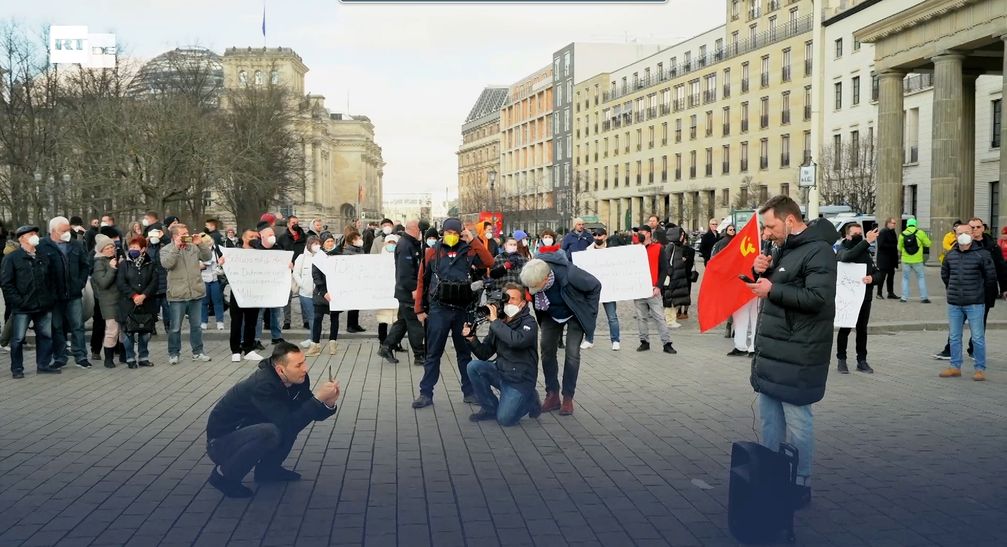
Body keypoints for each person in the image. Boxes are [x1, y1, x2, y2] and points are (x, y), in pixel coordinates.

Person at [746, 195, 838, 506]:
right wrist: (759, 270)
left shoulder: (820, 251)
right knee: (770, 419)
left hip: (799, 351)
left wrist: (773, 289)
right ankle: (771, 472)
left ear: (789, 220)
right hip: (774, 349)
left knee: (798, 420)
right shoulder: (782, 249)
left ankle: (801, 481)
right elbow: (776, 285)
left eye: (769, 226)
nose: (766, 233)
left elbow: (817, 298)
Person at [204, 342, 341, 498]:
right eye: (298, 365)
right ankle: (223, 477)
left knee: (293, 418)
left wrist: (328, 402)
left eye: (304, 362)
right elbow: (288, 422)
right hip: (221, 443)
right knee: (271, 431)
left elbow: (309, 412)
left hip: (249, 431)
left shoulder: (298, 379)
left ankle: (268, 470)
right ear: (280, 369)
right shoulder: (262, 385)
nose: (305, 368)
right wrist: (317, 399)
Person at [412, 218, 494, 409]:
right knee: (433, 353)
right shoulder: (432, 252)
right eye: (448, 232)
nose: (452, 236)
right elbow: (421, 281)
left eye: (455, 233)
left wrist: (473, 240)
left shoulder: (469, 249)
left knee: (464, 353)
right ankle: (426, 393)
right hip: (439, 309)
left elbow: (488, 261)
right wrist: (419, 309)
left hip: (462, 310)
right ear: (443, 233)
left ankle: (469, 391)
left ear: (460, 233)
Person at [520, 253, 601, 416]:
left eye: (536, 285)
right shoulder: (532, 271)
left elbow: (595, 286)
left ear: (546, 277)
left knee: (572, 353)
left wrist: (589, 312)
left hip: (575, 314)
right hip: (551, 313)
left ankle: (568, 397)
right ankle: (553, 394)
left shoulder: (570, 274)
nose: (533, 289)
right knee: (546, 350)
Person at [464, 283, 543, 425]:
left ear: (523, 303)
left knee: (505, 420)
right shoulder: (500, 322)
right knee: (474, 366)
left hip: (520, 380)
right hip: (501, 372)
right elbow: (484, 354)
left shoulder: (529, 323)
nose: (509, 302)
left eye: (513, 299)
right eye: (506, 299)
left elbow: (516, 341)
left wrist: (495, 322)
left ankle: (530, 398)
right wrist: (472, 339)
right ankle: (489, 409)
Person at [934, 217, 1007, 360]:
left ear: (983, 228)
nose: (975, 230)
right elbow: (947, 271)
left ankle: (974, 350)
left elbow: (1000, 269)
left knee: (980, 324)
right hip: (962, 293)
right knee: (957, 323)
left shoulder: (991, 247)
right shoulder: (960, 245)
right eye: (972, 227)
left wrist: (1004, 288)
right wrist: (953, 286)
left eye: (978, 227)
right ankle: (949, 349)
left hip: (984, 293)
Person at [939, 223, 997, 381]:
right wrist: (952, 288)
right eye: (959, 233)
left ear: (972, 234)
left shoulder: (982, 254)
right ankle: (955, 366)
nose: (963, 235)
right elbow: (945, 274)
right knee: (954, 337)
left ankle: (979, 369)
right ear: (955, 235)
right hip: (954, 303)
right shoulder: (951, 254)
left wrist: (983, 295)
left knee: (977, 337)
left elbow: (990, 278)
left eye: (966, 232)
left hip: (975, 303)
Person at [1, 226, 58, 378]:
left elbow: (52, 279)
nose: (35, 236)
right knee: (18, 339)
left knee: (45, 336)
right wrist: (18, 301)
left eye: (36, 234)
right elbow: (6, 284)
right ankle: (17, 369)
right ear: (21, 238)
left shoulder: (43, 256)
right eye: (31, 234)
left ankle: (43, 365)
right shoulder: (12, 258)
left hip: (43, 305)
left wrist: (50, 298)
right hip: (23, 307)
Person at [37, 216, 92, 369]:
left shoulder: (76, 244)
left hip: (73, 294)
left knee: (78, 326)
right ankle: (60, 357)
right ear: (53, 231)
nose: (68, 232)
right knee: (56, 327)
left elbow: (85, 265)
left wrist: (80, 283)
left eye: (68, 229)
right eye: (64, 230)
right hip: (54, 296)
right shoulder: (43, 246)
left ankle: (81, 356)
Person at [160, 224, 213, 364]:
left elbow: (208, 257)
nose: (187, 235)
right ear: (175, 236)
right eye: (184, 233)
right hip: (178, 294)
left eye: (187, 232)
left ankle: (198, 352)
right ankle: (173, 353)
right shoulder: (166, 249)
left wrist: (200, 243)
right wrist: (176, 248)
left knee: (196, 326)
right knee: (175, 327)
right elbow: (166, 264)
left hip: (195, 292)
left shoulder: (193, 247)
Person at [381, 220, 426, 366]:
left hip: (405, 291)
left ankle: (387, 347)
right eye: (419, 230)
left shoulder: (411, 243)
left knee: (403, 322)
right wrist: (414, 289)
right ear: (414, 229)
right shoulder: (406, 245)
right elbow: (405, 272)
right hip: (408, 292)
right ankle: (419, 355)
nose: (420, 233)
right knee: (414, 323)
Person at [835, 223, 878, 374]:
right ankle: (841, 359)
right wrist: (866, 241)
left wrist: (872, 278)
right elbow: (848, 257)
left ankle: (862, 360)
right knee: (845, 329)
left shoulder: (866, 252)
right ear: (847, 235)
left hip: (864, 297)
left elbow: (878, 273)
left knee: (862, 330)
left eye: (861, 233)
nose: (859, 236)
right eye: (855, 234)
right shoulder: (841, 249)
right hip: (848, 298)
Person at [631, 225, 676, 353]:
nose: (640, 233)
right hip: (639, 289)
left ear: (649, 234)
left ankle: (666, 343)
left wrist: (659, 286)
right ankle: (644, 341)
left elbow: (664, 269)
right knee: (641, 317)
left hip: (653, 288)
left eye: (642, 232)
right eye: (638, 232)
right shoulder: (635, 249)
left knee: (659, 317)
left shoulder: (658, 248)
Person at [117, 236, 158, 368]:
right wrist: (134, 295)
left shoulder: (150, 264)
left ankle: (143, 357)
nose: (133, 250)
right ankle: (130, 358)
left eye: (136, 247)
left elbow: (154, 282)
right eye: (131, 247)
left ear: (143, 249)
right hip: (128, 303)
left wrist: (144, 295)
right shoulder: (124, 264)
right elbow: (121, 282)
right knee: (128, 332)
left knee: (145, 332)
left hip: (146, 303)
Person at [228, 230, 265, 362]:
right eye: (251, 237)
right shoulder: (234, 252)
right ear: (244, 238)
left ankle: (249, 348)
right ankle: (235, 350)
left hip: (254, 291)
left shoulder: (260, 253)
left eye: (256, 237)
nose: (254, 238)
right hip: (238, 291)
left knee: (252, 321)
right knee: (236, 321)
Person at [582, 228, 621, 351]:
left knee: (612, 316)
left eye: (599, 235)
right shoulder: (588, 251)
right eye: (595, 235)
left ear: (605, 236)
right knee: (590, 316)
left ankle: (615, 340)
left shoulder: (612, 250)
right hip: (593, 290)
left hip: (609, 289)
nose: (597, 237)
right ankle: (589, 339)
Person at [306, 234, 344, 357]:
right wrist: (323, 292)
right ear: (323, 243)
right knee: (318, 318)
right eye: (328, 241)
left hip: (335, 292)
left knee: (334, 318)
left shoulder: (339, 255)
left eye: (332, 241)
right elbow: (316, 276)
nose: (330, 243)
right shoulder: (318, 257)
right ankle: (315, 345)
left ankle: (333, 343)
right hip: (321, 292)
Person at [252, 223, 287, 345]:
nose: (273, 236)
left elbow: (284, 264)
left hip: (274, 287)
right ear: (262, 236)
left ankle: (276, 336)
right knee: (259, 315)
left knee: (276, 313)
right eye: (270, 234)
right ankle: (256, 339)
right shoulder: (255, 250)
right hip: (260, 288)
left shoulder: (278, 248)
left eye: (273, 234)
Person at [91, 234, 123, 369]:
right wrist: (112, 268)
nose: (111, 250)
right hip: (108, 302)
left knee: (123, 330)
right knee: (112, 330)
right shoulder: (99, 263)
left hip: (121, 300)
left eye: (112, 247)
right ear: (101, 250)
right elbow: (103, 283)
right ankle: (108, 359)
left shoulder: (115, 259)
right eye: (107, 248)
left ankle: (124, 354)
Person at [292, 235, 321, 349]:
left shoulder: (321, 257)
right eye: (314, 244)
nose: (317, 246)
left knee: (317, 317)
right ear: (309, 245)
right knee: (312, 317)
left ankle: (314, 338)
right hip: (306, 293)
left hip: (318, 293)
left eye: (318, 243)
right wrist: (302, 285)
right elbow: (296, 273)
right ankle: (314, 340)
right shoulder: (301, 258)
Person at [663, 226, 695, 325]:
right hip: (672, 277)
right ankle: (669, 320)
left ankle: (673, 319)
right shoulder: (671, 246)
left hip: (677, 277)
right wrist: (670, 273)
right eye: (681, 235)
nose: (682, 237)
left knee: (675, 300)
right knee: (670, 300)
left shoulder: (677, 247)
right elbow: (666, 261)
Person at [898, 218, 931, 303]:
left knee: (905, 278)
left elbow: (898, 247)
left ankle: (904, 298)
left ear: (907, 225)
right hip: (918, 260)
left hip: (906, 260)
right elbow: (928, 244)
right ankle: (924, 298)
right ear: (915, 224)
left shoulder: (902, 234)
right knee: (921, 278)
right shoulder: (920, 233)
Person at [340, 230, 367, 334]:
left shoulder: (360, 250)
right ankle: (350, 325)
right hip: (351, 281)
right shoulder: (347, 252)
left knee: (357, 303)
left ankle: (355, 324)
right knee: (352, 304)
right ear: (351, 241)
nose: (360, 240)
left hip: (359, 280)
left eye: (360, 238)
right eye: (357, 238)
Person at [375, 233, 399, 347]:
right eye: (389, 242)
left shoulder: (399, 257)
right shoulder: (379, 258)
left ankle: (396, 342)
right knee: (383, 319)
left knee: (397, 320)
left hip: (396, 292)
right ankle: (382, 341)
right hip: (383, 293)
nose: (391, 245)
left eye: (394, 243)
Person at [199, 235, 226, 332]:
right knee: (204, 302)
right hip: (203, 278)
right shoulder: (198, 250)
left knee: (217, 301)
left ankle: (220, 322)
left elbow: (223, 260)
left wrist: (221, 264)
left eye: (210, 241)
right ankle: (203, 322)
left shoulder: (217, 249)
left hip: (215, 278)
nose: (210, 244)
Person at [875, 217, 900, 300]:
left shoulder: (893, 232)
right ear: (888, 223)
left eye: (895, 223)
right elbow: (881, 245)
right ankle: (879, 293)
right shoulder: (883, 232)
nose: (894, 225)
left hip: (891, 259)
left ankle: (890, 292)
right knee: (882, 277)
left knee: (891, 277)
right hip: (884, 259)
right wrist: (892, 246)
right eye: (893, 223)